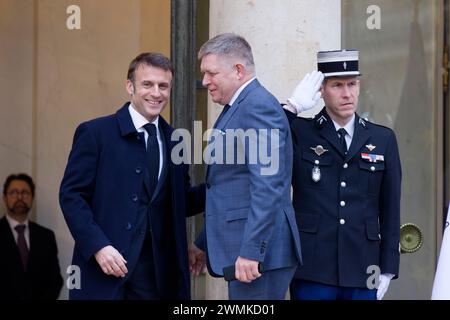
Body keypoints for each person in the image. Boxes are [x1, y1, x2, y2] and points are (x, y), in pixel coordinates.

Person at [59, 52, 205, 300]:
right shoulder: (95, 133)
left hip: (157, 280)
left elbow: (181, 201)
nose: (156, 93)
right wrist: (99, 246)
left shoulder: (175, 141)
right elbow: (72, 196)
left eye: (163, 86)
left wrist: (224, 186)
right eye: (147, 84)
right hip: (104, 271)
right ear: (130, 86)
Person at [189, 33, 302, 300]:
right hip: (248, 252)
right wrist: (205, 242)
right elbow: (229, 186)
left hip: (260, 257)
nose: (205, 82)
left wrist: (252, 251)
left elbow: (268, 187)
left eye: (211, 73)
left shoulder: (257, 106)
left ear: (238, 70)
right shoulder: (238, 106)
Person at [284, 49, 401, 300]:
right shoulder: (299, 133)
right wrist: (290, 109)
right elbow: (263, 150)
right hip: (312, 267)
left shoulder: (383, 139)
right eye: (337, 85)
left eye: (352, 84)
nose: (347, 93)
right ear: (321, 90)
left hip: (364, 267)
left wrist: (388, 268)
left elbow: (390, 208)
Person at [0, 173, 63, 300]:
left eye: (25, 193)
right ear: (5, 198)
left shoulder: (46, 236)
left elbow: (55, 280)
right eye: (13, 192)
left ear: (32, 198)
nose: (19, 197)